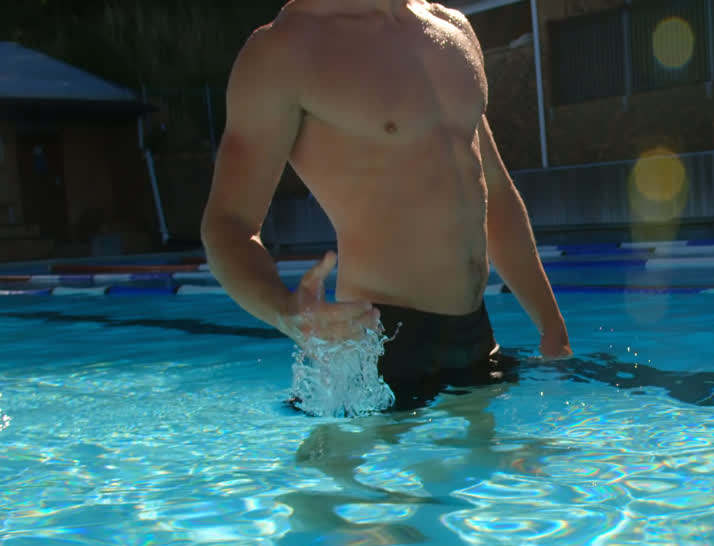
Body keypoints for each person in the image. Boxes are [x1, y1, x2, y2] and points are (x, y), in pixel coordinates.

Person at [201, 0, 571, 411]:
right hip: (378, 342)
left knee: (495, 474)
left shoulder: (453, 30)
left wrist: (551, 325)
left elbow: (494, 193)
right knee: (346, 476)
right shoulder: (287, 49)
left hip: (475, 332)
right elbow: (227, 225)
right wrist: (286, 313)